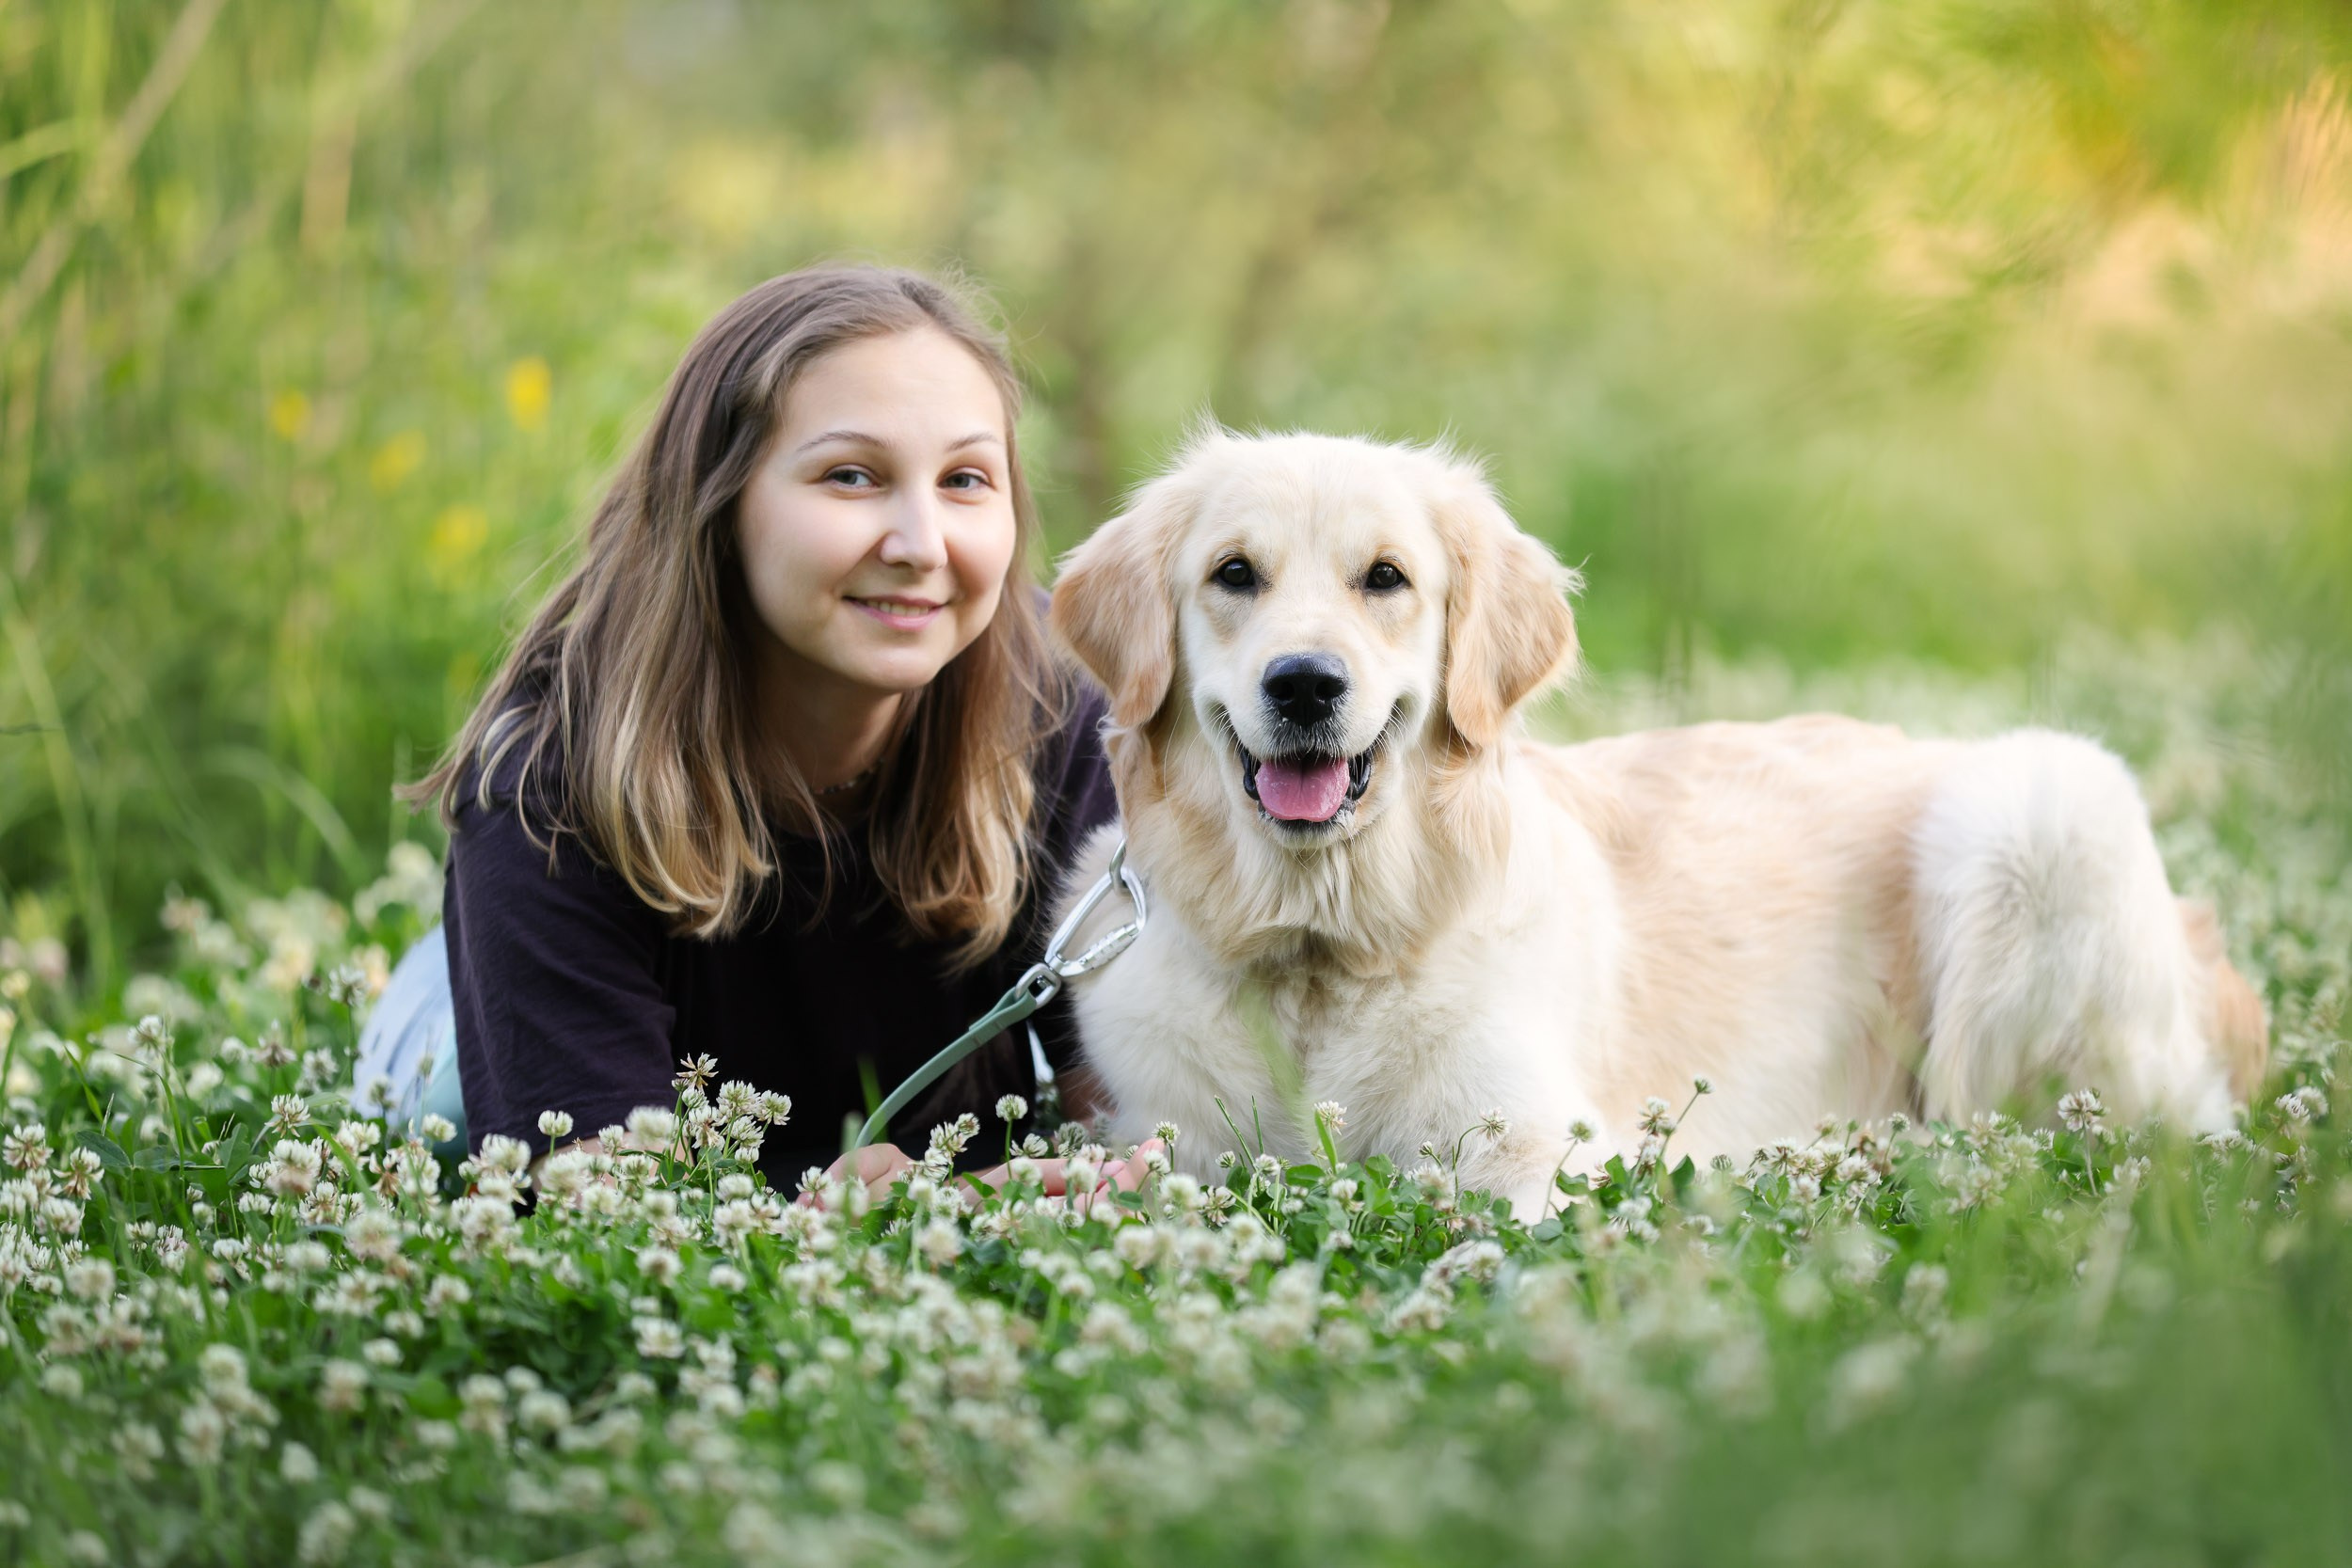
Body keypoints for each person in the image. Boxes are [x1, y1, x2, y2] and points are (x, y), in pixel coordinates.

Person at [365, 264, 1156, 1202]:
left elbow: (1127, 1114)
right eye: (851, 476)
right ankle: (446, 979)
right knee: (448, 1115)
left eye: (965, 479)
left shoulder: (1056, 704)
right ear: (718, 500)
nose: (921, 542)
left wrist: (1099, 1176)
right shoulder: (550, 777)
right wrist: (862, 1212)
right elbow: (602, 1217)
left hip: (856, 1135)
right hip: (477, 1046)